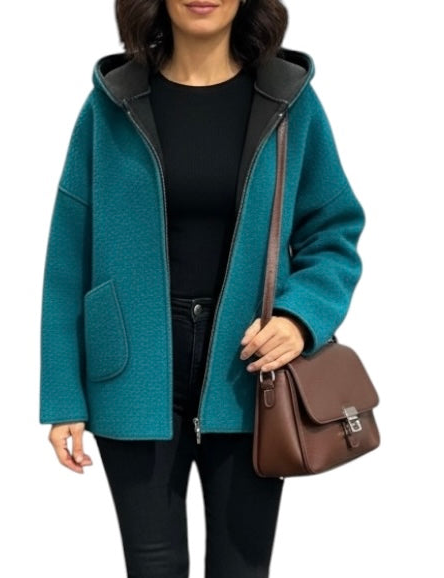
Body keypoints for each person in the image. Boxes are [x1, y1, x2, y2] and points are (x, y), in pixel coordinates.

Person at [39, 1, 366, 576]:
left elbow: (333, 230)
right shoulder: (110, 105)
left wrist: (299, 318)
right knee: (153, 566)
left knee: (242, 567)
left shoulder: (289, 102)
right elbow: (69, 259)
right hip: (134, 368)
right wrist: (63, 395)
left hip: (250, 367)